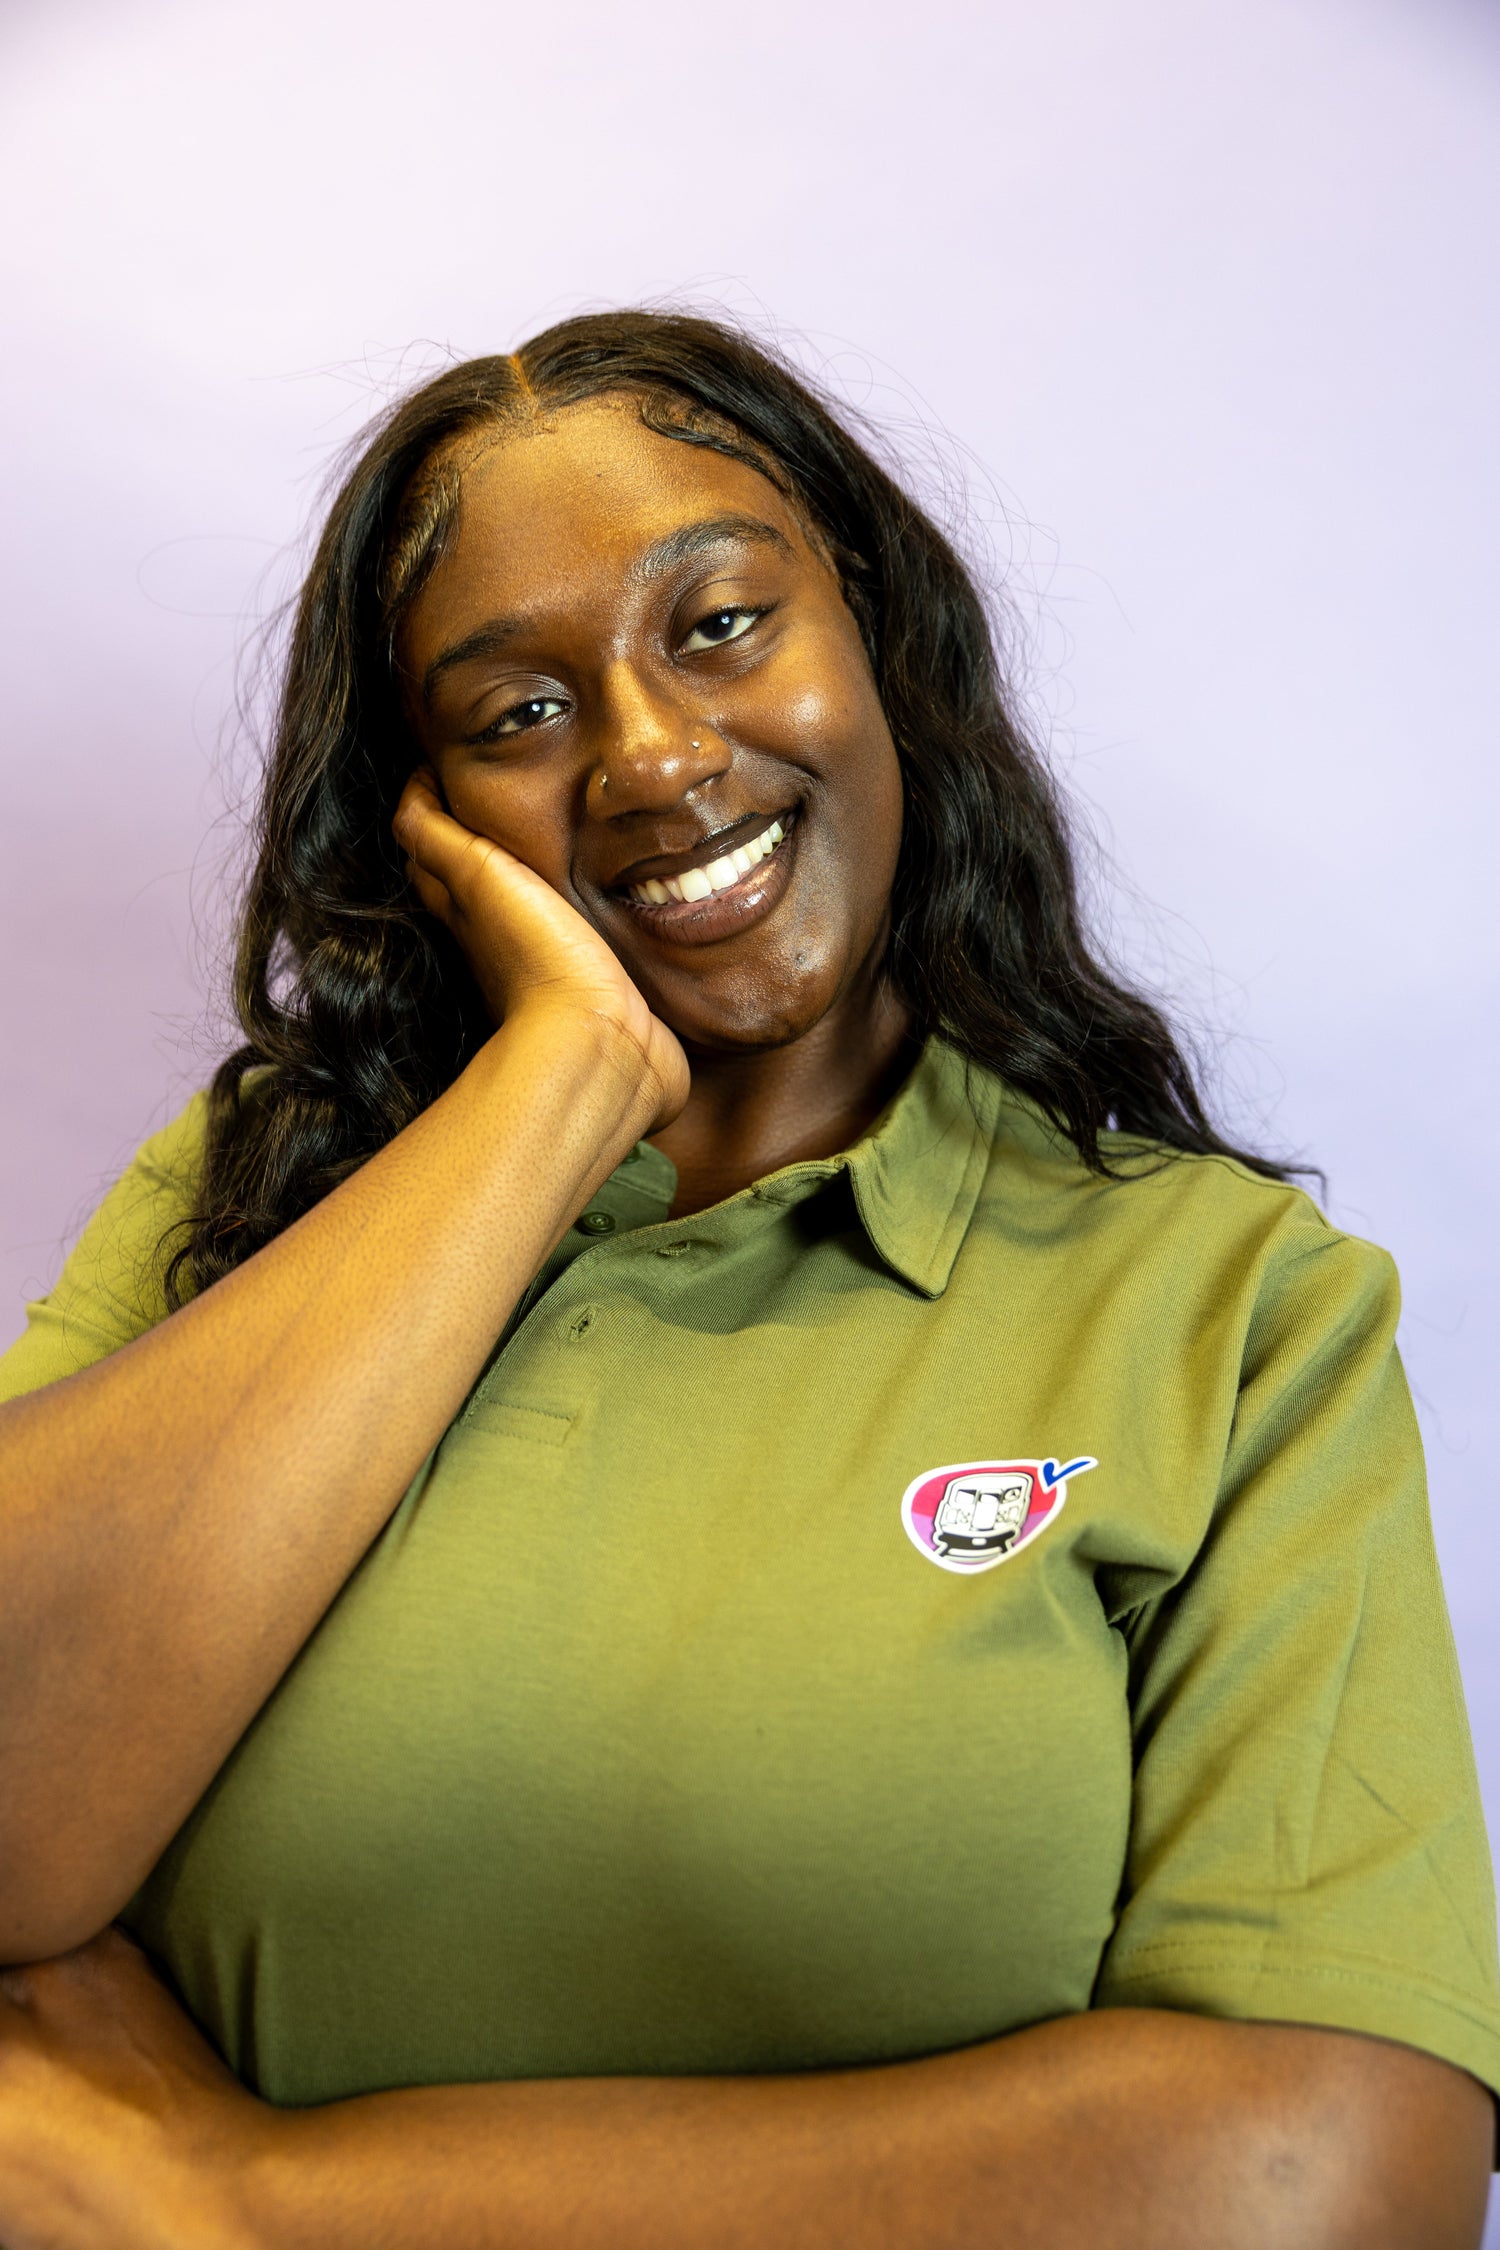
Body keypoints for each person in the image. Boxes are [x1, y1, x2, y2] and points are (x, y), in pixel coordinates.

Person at [0, 311, 1495, 2249]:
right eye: (515, 714)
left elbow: (1336, 2176)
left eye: (718, 626)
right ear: (423, 815)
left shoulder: (1229, 1307)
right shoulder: (251, 1211)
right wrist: (560, 1079)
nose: (647, 757)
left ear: (880, 643)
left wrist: (242, 2199)